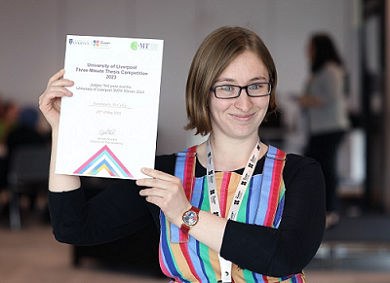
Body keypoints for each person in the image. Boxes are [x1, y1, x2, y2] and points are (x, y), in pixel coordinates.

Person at [39, 26, 325, 283]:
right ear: (203, 93)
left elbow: (286, 256)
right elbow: (73, 228)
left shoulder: (300, 173)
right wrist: (63, 134)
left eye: (256, 86)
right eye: (227, 87)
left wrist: (187, 214)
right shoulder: (164, 175)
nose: (244, 101)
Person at [299, 33, 350, 229]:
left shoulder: (331, 70)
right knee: (317, 167)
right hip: (319, 128)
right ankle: (322, 209)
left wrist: (306, 100)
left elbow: (331, 97)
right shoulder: (318, 71)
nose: (308, 51)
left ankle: (331, 211)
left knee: (327, 170)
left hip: (330, 128)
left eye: (310, 47)